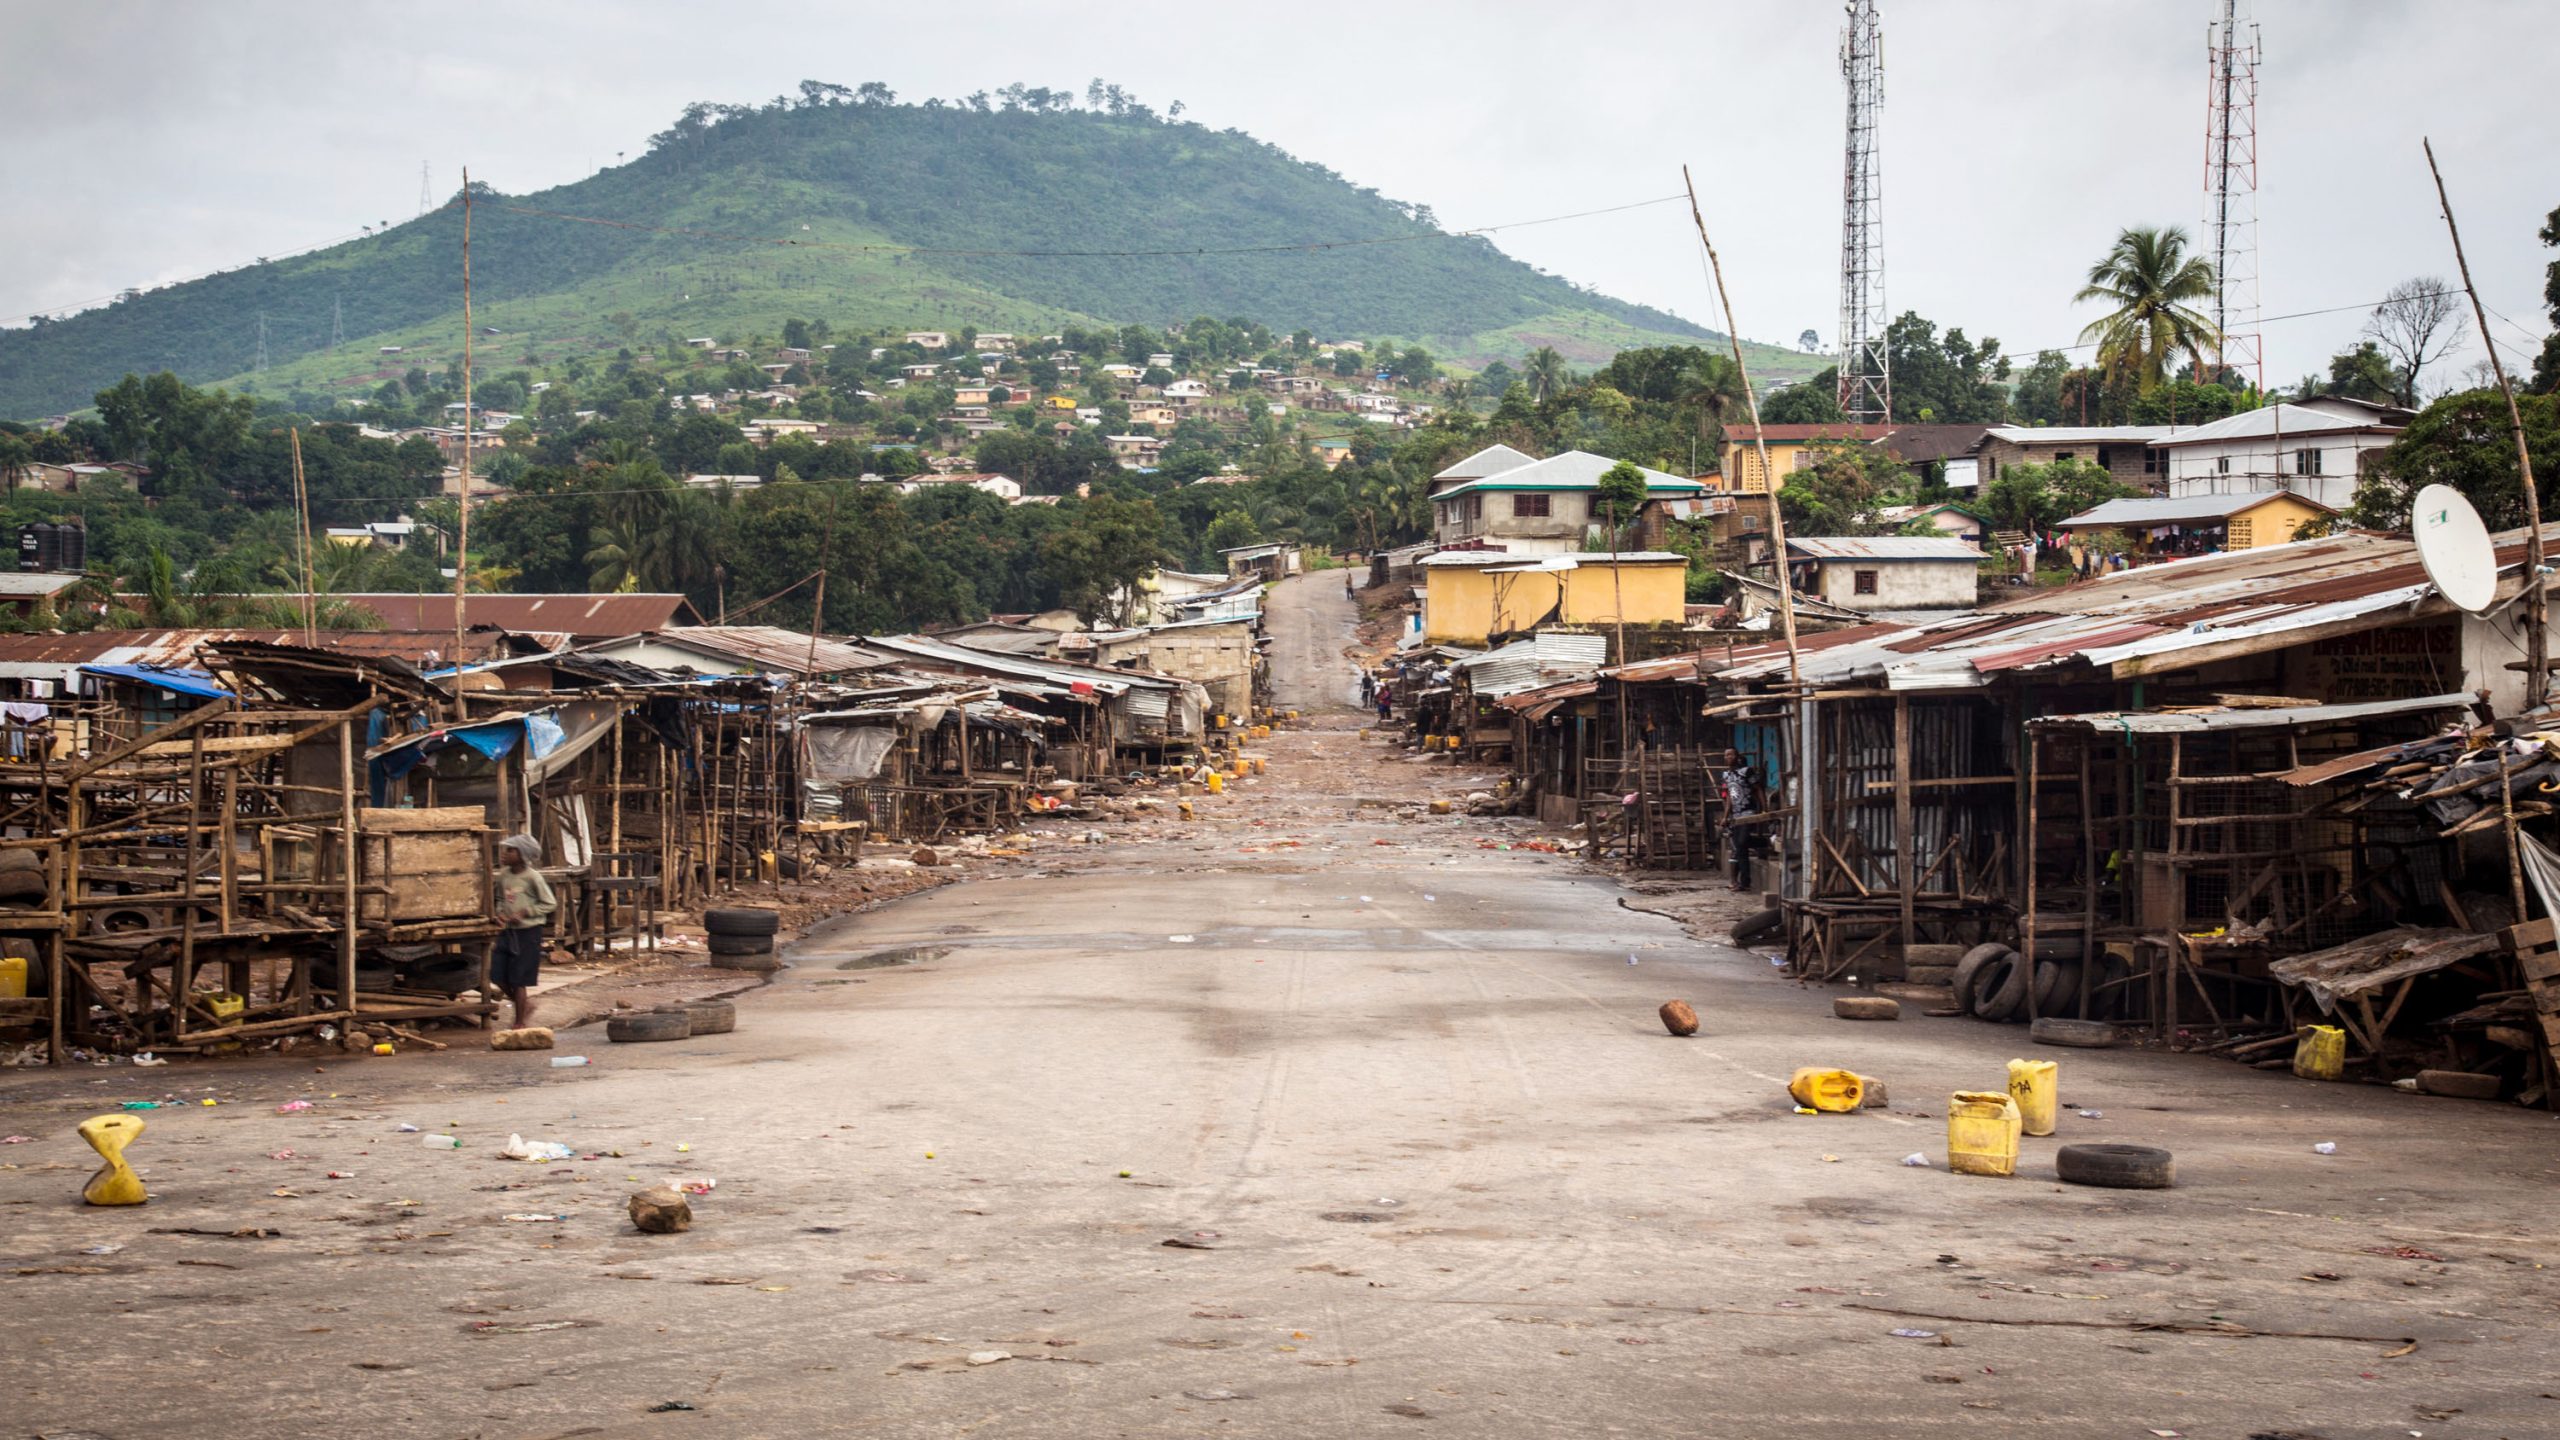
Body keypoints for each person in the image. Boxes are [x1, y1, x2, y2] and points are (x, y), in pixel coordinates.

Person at [490, 836, 556, 1028]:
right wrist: (500, 914)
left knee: (519, 979)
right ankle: (525, 1006)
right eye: (506, 850)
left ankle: (519, 1022)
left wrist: (527, 912)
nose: (504, 854)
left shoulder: (532, 877)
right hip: (507, 931)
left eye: (510, 851)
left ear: (523, 855)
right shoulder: (504, 876)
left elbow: (550, 903)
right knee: (495, 974)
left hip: (528, 933)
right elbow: (501, 898)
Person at [1717, 750, 1760, 893]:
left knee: (1741, 844)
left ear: (1738, 757)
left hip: (1749, 812)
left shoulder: (1746, 771)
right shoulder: (1726, 775)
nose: (1728, 757)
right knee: (1740, 846)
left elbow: (1757, 789)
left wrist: (1765, 809)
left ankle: (1745, 882)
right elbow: (1729, 797)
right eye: (1726, 755)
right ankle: (1742, 882)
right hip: (1735, 815)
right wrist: (1725, 816)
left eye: (1731, 755)